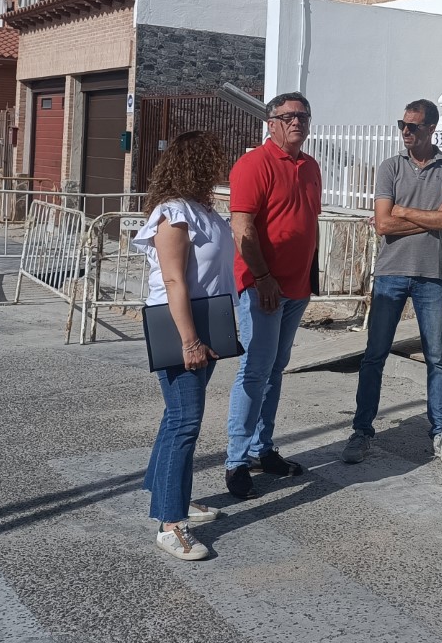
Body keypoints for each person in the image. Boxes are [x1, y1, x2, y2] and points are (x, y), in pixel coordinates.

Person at [342, 98, 442, 466]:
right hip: (390, 273)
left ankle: (440, 431)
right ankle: (361, 431)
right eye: (402, 125)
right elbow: (383, 224)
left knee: (437, 358)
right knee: (374, 356)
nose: (405, 132)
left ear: (431, 128)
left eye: (413, 126)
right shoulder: (390, 167)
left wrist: (404, 211)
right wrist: (431, 217)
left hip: (432, 276)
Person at [132, 131, 235, 562]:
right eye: (213, 159)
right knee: (185, 422)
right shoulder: (173, 213)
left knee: (176, 416)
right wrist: (189, 340)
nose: (220, 166)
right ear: (195, 164)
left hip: (206, 323)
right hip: (181, 328)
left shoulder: (202, 210)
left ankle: (167, 494)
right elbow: (173, 280)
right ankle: (171, 524)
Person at [224, 92, 322, 499]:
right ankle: (236, 460)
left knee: (275, 369)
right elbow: (242, 227)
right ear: (271, 123)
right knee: (254, 370)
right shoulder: (254, 165)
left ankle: (262, 448)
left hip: (296, 288)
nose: (297, 122)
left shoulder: (310, 166)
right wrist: (262, 277)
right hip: (263, 287)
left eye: (303, 116)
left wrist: (310, 278)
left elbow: (307, 222)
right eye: (288, 116)